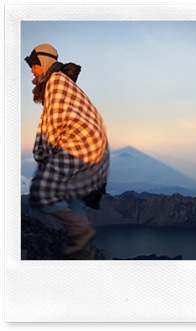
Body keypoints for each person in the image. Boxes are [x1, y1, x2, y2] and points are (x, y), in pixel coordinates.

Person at [24, 43, 110, 260]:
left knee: (42, 192)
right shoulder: (62, 82)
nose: (32, 70)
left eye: (33, 65)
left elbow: (54, 122)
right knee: (73, 198)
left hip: (80, 146)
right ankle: (85, 252)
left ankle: (82, 234)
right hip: (92, 146)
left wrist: (44, 156)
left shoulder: (56, 82)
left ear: (43, 62)